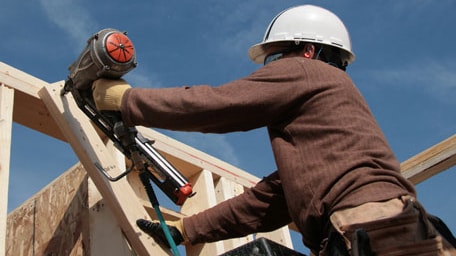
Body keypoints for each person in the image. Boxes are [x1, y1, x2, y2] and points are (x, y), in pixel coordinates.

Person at [92, 5, 456, 256]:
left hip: (376, 234)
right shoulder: (332, 140)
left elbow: (219, 104)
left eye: (276, 57)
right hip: (396, 234)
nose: (272, 68)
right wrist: (188, 230)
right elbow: (270, 200)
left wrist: (125, 100)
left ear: (309, 50)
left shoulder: (309, 72)